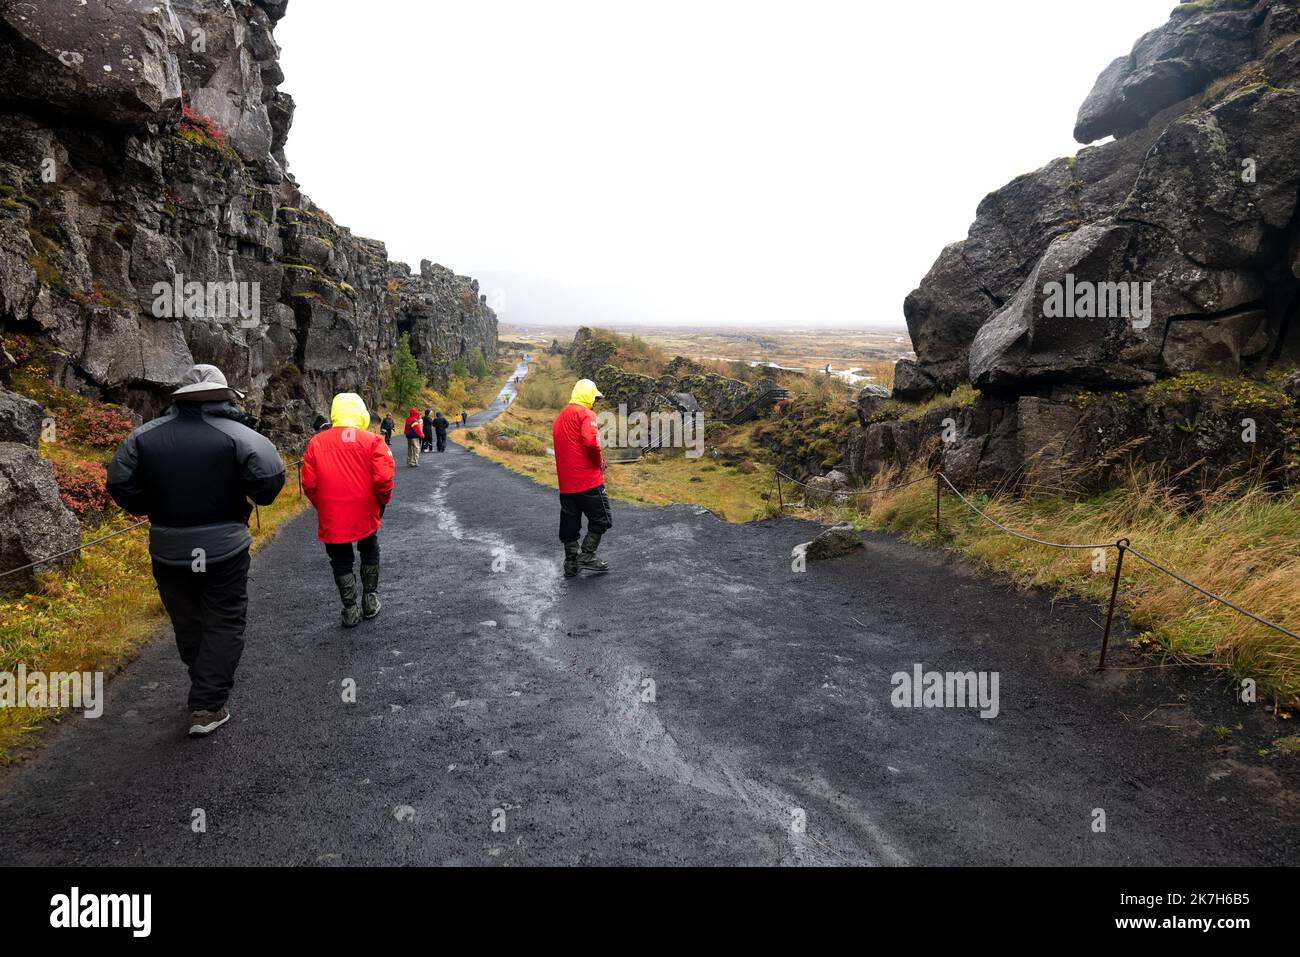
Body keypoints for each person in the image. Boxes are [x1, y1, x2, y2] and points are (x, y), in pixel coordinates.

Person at [106, 364, 285, 737]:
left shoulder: (142, 437)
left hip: (169, 547)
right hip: (224, 547)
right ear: (223, 395)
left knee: (187, 620)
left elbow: (121, 484)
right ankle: (206, 704)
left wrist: (153, 506)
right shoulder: (240, 435)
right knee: (223, 619)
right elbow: (267, 486)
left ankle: (203, 683)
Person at [301, 393, 395, 627]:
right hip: (365, 511)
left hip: (333, 514)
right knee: (369, 549)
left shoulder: (317, 443)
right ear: (360, 412)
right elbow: (384, 480)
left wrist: (323, 506)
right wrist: (381, 502)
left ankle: (350, 610)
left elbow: (309, 484)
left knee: (340, 560)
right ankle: (370, 600)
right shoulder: (373, 441)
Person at [552, 378, 612, 578]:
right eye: (594, 397)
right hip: (588, 481)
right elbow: (591, 443)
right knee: (602, 518)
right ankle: (587, 555)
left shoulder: (560, 418)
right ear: (587, 396)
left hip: (566, 485)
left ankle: (570, 563)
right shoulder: (586, 414)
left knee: (570, 524)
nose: (594, 402)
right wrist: (599, 463)